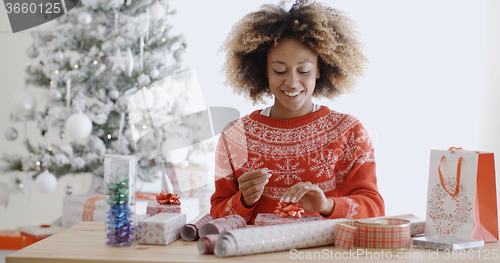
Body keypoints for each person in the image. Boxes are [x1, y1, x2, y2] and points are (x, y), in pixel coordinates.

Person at [210, 0, 385, 224]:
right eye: (279, 70)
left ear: (320, 69)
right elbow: (216, 213)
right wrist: (243, 201)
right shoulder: (235, 136)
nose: (292, 82)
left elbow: (375, 208)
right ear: (264, 70)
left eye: (303, 70)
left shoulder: (349, 131)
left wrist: (327, 205)